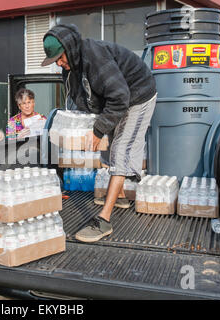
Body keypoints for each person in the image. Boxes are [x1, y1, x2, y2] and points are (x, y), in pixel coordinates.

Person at [41, 24, 157, 243]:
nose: (58, 63)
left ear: (70, 47)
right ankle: (120, 196)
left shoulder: (95, 58)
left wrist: (97, 130)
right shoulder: (72, 65)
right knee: (109, 143)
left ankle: (104, 220)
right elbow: (81, 98)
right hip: (118, 98)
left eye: (59, 57)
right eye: (54, 60)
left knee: (121, 148)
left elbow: (120, 97)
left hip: (138, 95)